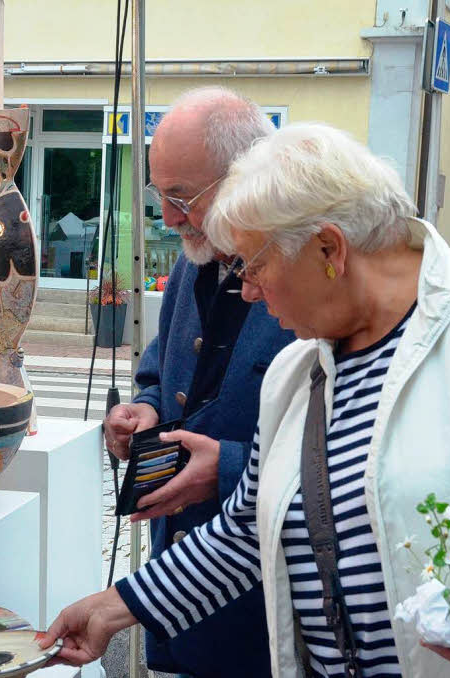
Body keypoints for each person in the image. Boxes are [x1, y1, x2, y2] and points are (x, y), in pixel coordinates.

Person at [44, 122, 450, 677]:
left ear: (329, 248)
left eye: (254, 265)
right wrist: (112, 608)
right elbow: (246, 530)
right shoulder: (298, 371)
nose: (249, 290)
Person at [102, 87, 295, 677]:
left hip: (268, 599)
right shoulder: (193, 260)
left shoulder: (310, 276)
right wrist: (147, 409)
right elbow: (164, 366)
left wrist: (231, 467)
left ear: (248, 177)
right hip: (179, 573)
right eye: (159, 195)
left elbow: (345, 454)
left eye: (182, 196)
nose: (167, 217)